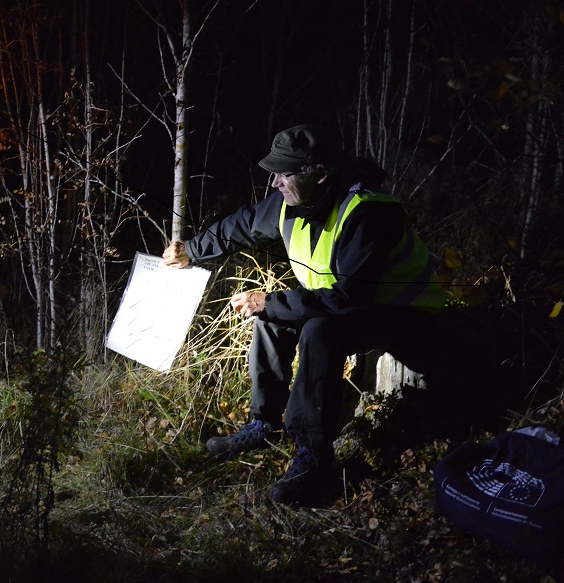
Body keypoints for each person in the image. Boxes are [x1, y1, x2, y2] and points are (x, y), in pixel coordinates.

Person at [163, 124, 453, 507]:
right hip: (344, 305)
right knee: (273, 319)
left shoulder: (369, 212)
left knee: (317, 331)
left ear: (321, 173)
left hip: (405, 314)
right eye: (274, 174)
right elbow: (243, 224)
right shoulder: (293, 201)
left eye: (284, 174)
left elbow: (349, 298)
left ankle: (314, 456)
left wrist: (269, 301)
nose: (274, 183)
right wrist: (192, 250)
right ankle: (264, 422)